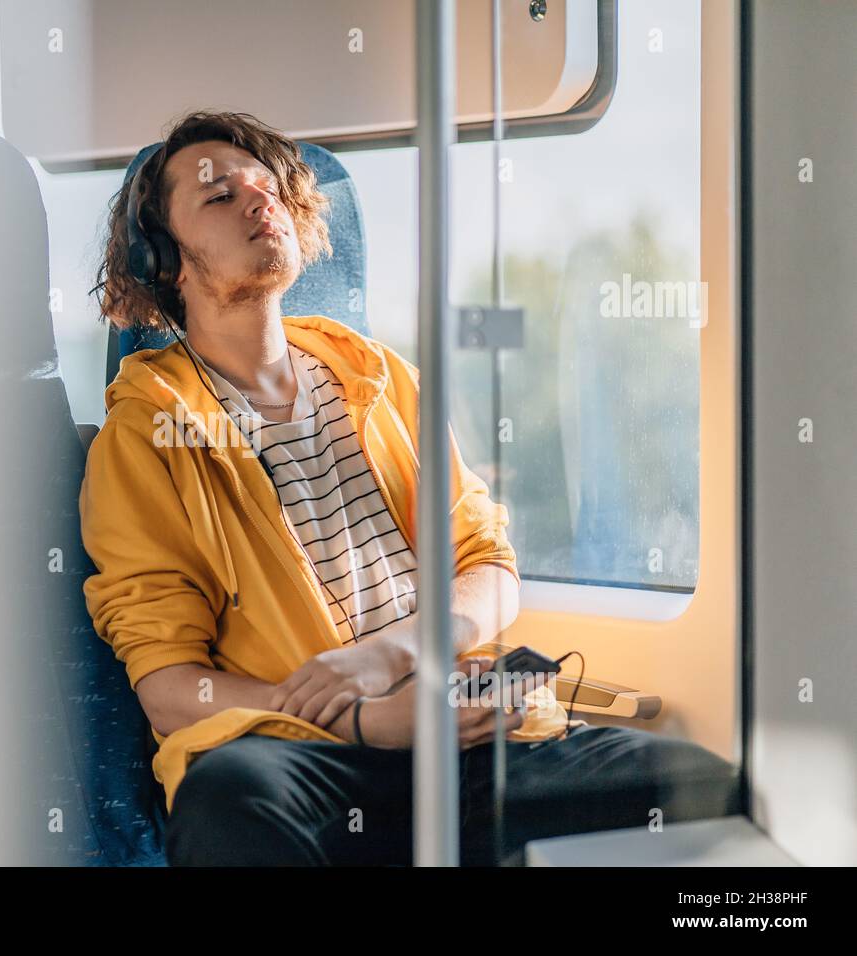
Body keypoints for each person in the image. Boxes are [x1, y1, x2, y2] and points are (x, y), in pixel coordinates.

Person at [80, 110, 737, 865]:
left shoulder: (382, 380)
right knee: (230, 804)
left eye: (268, 187)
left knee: (696, 784)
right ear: (166, 261)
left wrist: (393, 660)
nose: (261, 202)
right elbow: (170, 690)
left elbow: (490, 568)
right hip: (303, 758)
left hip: (455, 731)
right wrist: (365, 721)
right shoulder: (147, 432)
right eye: (221, 197)